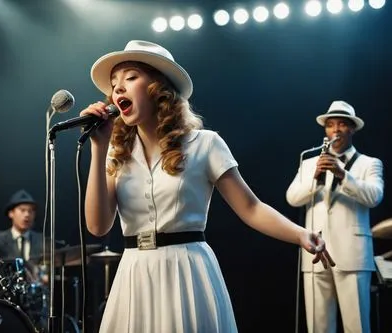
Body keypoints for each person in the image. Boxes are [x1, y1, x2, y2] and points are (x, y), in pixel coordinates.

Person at [78, 40, 335, 333]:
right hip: (134, 273)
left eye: (131, 77)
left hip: (186, 272)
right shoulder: (115, 151)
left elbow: (251, 208)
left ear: (159, 88)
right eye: (114, 84)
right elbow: (97, 227)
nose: (118, 89)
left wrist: (300, 234)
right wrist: (98, 148)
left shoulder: (205, 144)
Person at [286, 100, 384, 333]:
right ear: (326, 131)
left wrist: (343, 175)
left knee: (357, 326)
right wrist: (314, 180)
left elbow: (374, 197)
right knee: (318, 327)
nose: (336, 130)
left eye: (342, 124)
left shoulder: (369, 163)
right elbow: (291, 198)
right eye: (331, 125)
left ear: (352, 129)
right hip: (315, 254)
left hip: (352, 255)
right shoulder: (310, 162)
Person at [0, 189, 44, 261]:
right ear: (11, 213)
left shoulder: (42, 241)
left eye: (30, 211)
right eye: (22, 210)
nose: (27, 215)